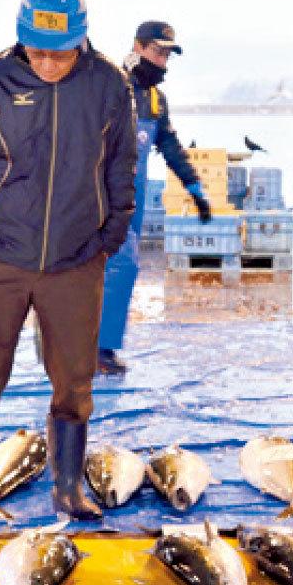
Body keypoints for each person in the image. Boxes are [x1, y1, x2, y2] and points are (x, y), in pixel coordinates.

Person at [0, 0, 137, 546]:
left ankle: (68, 486)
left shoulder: (107, 86)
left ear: (82, 41)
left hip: (76, 261)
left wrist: (112, 230)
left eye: (61, 52)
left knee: (74, 380)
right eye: (38, 51)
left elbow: (122, 162)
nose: (49, 64)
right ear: (22, 41)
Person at [95, 21, 211, 375]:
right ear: (138, 47)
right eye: (157, 51)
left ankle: (100, 346)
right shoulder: (111, 87)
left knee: (121, 268)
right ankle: (93, 348)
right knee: (114, 266)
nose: (162, 61)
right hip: (101, 197)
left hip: (135, 200)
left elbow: (170, 145)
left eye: (167, 54)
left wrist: (194, 188)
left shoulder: (155, 99)